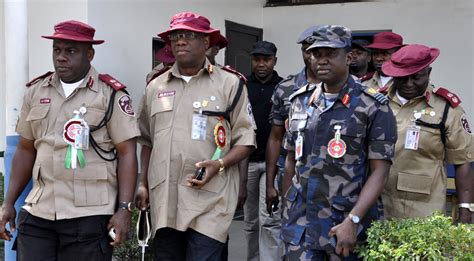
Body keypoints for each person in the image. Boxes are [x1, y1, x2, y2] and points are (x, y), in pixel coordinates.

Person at [0, 20, 140, 260]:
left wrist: (124, 209)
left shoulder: (110, 94)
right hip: (40, 210)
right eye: (57, 50)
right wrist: (8, 203)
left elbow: (127, 153)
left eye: (70, 51)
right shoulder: (36, 91)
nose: (61, 57)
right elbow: (25, 149)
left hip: (89, 214)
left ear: (90, 54)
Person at [135, 12, 256, 260]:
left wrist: (220, 164)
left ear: (207, 43)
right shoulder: (155, 87)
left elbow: (246, 140)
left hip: (210, 202)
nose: (181, 41)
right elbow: (147, 141)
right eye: (176, 36)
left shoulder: (229, 84)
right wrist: (142, 183)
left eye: (189, 36)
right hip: (165, 201)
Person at [281, 25, 397, 260]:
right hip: (300, 227)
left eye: (330, 53)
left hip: (344, 226)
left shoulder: (373, 106)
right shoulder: (300, 102)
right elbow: (291, 158)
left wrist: (353, 220)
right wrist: (287, 204)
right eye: (316, 54)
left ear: (349, 57)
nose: (321, 60)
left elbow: (380, 172)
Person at [380, 44, 473, 223]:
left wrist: (465, 210)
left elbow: (463, 163)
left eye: (416, 77)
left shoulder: (446, 110)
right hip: (378, 204)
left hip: (423, 209)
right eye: (402, 78)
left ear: (428, 73)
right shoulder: (376, 103)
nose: (408, 84)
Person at [264, 25, 321, 258]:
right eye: (306, 50)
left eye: (317, 50)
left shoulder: (355, 92)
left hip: (336, 184)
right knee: (291, 238)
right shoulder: (286, 88)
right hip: (292, 178)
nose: (311, 56)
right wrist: (270, 184)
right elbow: (276, 137)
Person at [240, 40, 283, 261]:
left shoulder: (284, 87)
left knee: (270, 220)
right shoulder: (242, 85)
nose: (261, 64)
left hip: (272, 164)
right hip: (246, 161)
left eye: (266, 59)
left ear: (274, 61)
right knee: (250, 222)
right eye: (257, 59)